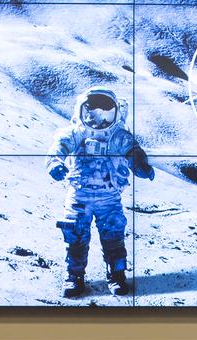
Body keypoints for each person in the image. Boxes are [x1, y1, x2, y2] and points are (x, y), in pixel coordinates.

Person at [46, 86, 155, 299]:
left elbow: (133, 151)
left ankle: (117, 275)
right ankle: (74, 276)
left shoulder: (118, 135)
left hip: (109, 197)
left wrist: (141, 166)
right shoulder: (76, 132)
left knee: (113, 235)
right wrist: (55, 163)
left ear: (115, 113)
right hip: (80, 195)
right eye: (93, 114)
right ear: (82, 111)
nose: (99, 121)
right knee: (75, 236)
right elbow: (59, 147)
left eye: (106, 115)